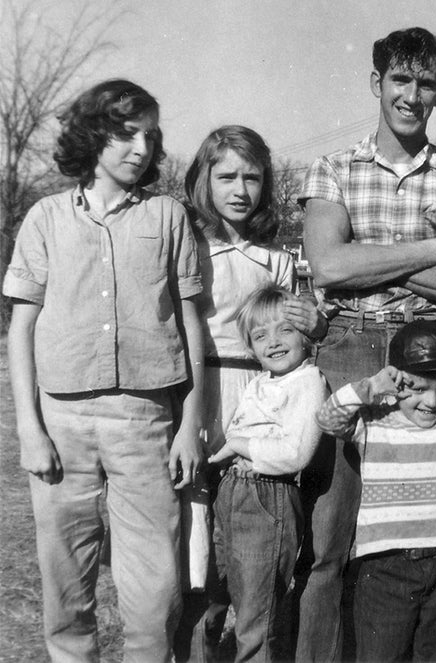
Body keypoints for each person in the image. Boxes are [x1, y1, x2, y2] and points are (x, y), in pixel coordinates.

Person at [297, 26, 436, 660]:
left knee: (423, 531)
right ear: (376, 83)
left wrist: (372, 258)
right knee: (331, 537)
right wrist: (435, 247)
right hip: (351, 348)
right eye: (400, 80)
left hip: (433, 359)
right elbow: (327, 268)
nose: (412, 95)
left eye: (427, 83)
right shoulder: (332, 168)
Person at [3, 79, 204, 662]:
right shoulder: (44, 218)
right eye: (124, 133)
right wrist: (29, 429)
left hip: (145, 422)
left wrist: (190, 422)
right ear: (92, 137)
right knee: (67, 588)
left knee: (154, 593)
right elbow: (21, 329)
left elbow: (192, 326)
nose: (140, 148)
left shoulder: (168, 216)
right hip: (62, 424)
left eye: (150, 135)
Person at [177, 125, 326, 659]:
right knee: (196, 536)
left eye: (253, 177)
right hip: (199, 386)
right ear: (203, 181)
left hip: (257, 393)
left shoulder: (277, 259)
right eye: (226, 176)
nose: (240, 189)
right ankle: (197, 644)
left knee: (247, 524)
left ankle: (247, 627)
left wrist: (317, 321)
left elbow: (288, 333)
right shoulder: (190, 245)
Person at [316, 321, 436, 661]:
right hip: (385, 567)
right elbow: (327, 418)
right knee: (381, 655)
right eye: (419, 389)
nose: (432, 402)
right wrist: (370, 386)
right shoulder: (374, 422)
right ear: (396, 382)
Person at [206, 284, 328, 661]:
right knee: (216, 589)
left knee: (258, 613)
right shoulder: (259, 383)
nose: (273, 342)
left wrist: (239, 445)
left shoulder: (309, 382)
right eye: (261, 335)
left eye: (285, 330)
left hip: (268, 499)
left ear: (306, 337)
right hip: (232, 491)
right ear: (250, 346)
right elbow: (236, 436)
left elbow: (294, 454)